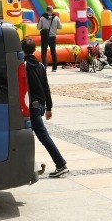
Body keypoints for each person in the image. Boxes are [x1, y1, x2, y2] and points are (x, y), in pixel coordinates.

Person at [22, 37, 69, 178]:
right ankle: (27, 166)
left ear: (21, 50)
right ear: (35, 49)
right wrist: (49, 107)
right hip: (41, 106)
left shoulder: (24, 65)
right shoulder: (41, 65)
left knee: (41, 135)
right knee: (29, 135)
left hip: (32, 107)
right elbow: (46, 87)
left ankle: (60, 163)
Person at [36, 6, 62, 71]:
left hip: (45, 37)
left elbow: (38, 28)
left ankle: (45, 67)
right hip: (53, 37)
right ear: (52, 10)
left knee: (44, 52)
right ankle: (54, 68)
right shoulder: (56, 18)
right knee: (53, 52)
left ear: (46, 10)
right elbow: (60, 27)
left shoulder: (42, 18)